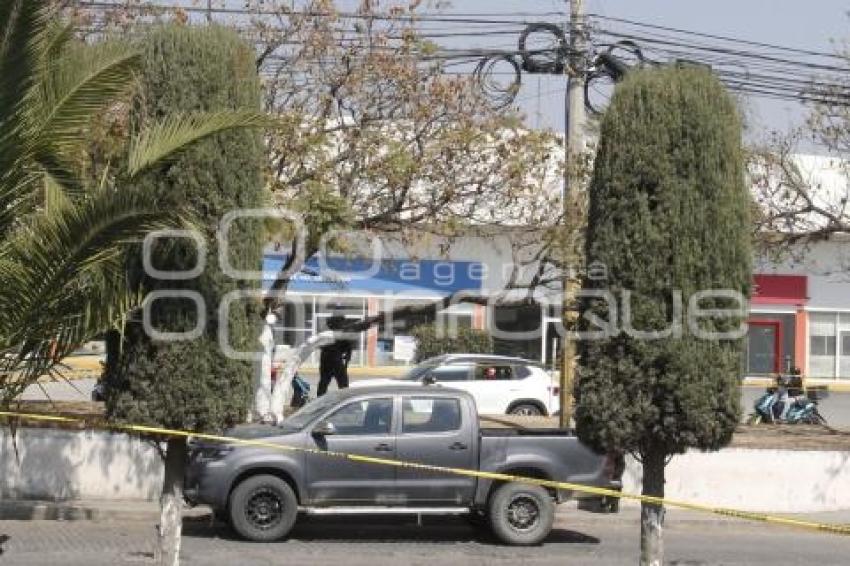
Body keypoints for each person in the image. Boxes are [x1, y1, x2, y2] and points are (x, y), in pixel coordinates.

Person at [317, 315, 353, 396]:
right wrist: (347, 359)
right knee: (342, 385)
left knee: (323, 384)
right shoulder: (341, 333)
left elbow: (348, 348)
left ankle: (318, 402)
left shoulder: (326, 333)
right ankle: (345, 400)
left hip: (326, 361)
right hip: (335, 361)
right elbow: (348, 348)